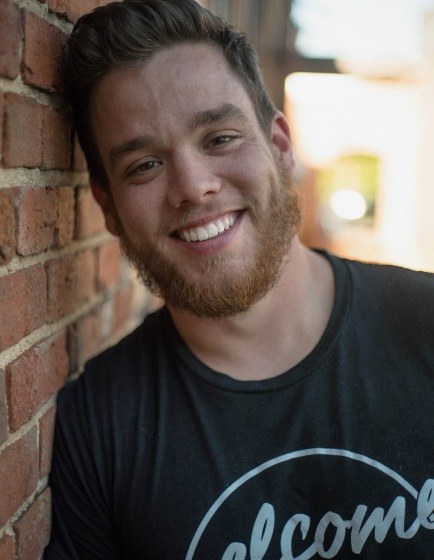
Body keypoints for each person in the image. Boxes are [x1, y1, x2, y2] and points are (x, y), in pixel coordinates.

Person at [44, 1, 434, 558]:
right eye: (144, 166)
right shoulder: (100, 425)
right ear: (108, 208)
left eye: (220, 138)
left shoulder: (426, 325)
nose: (193, 186)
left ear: (279, 147)